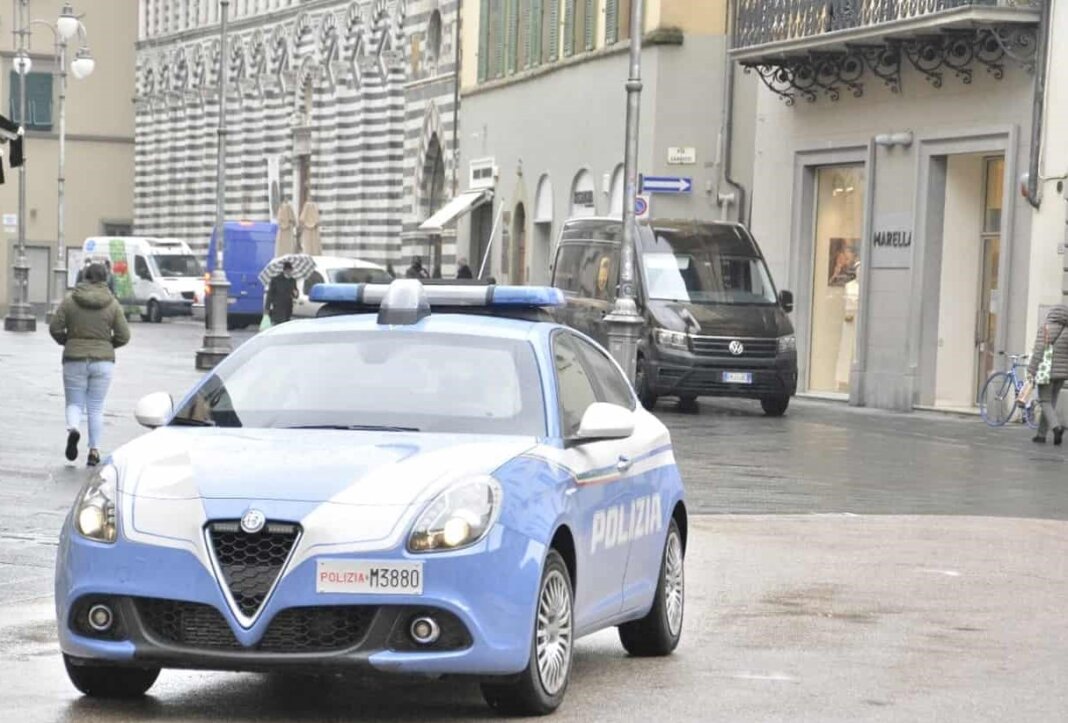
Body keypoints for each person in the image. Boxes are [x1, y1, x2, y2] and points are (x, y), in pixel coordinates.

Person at [49, 262, 131, 466]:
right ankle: (94, 451)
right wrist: (108, 345)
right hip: (103, 362)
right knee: (95, 407)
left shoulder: (70, 301)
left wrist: (67, 341)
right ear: (105, 278)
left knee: (74, 403)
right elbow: (124, 335)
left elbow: (54, 328)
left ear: (85, 276)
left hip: (74, 359)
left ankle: (74, 428)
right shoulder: (112, 303)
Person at [1028, 304, 1068, 445]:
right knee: (1050, 403)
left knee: (1044, 401)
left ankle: (1056, 428)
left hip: (1046, 371)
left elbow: (1039, 350)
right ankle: (1041, 435)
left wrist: (1031, 370)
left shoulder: (1046, 329)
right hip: (1062, 373)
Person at [266, 260, 299, 325]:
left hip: (288, 308)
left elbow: (295, 294)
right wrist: (267, 307)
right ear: (284, 270)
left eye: (290, 271)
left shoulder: (292, 280)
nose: (289, 272)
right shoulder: (276, 280)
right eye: (288, 270)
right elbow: (270, 294)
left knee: (286, 325)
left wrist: (296, 294)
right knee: (277, 325)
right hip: (278, 307)